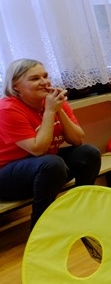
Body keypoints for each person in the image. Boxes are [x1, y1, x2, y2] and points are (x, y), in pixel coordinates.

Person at [0, 59, 101, 225]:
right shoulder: (7, 109)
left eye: (45, 76)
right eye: (35, 79)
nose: (44, 82)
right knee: (52, 163)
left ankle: (82, 211)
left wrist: (59, 109)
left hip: (44, 169)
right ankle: (41, 226)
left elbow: (77, 140)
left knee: (89, 153)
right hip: (7, 177)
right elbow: (38, 150)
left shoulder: (52, 102)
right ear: (16, 86)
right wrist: (50, 111)